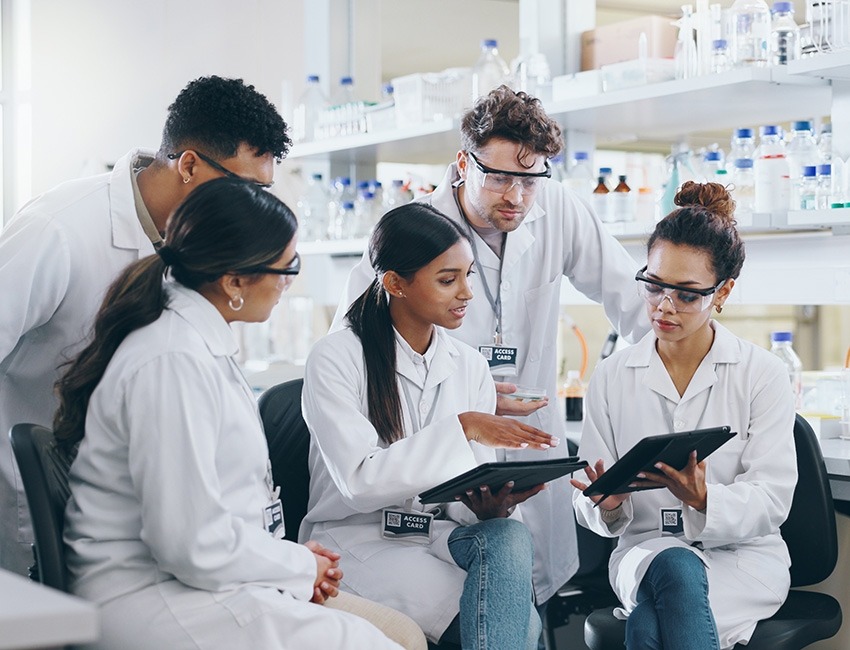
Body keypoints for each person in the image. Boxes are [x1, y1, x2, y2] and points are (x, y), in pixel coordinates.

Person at [53, 177, 424, 650]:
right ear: (233, 282)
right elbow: (189, 544)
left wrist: (286, 560)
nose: (290, 284)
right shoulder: (171, 360)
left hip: (199, 580)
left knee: (396, 637)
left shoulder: (199, 343)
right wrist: (295, 565)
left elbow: (220, 513)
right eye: (286, 268)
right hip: (149, 597)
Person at [332, 85, 650, 606]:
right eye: (499, 177)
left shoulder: (559, 211)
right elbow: (356, 349)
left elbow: (635, 302)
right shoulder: (414, 232)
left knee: (530, 593)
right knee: (474, 596)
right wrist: (466, 397)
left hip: (530, 436)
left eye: (530, 180)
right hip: (442, 444)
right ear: (463, 163)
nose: (516, 197)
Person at [0, 75, 290, 575]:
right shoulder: (59, 231)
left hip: (137, 511)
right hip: (33, 497)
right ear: (190, 165)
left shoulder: (201, 249)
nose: (253, 208)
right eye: (245, 188)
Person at [302, 202, 561, 648]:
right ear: (395, 283)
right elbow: (360, 483)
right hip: (363, 539)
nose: (466, 293)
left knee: (508, 534)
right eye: (447, 280)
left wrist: (487, 505)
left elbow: (459, 499)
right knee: (520, 628)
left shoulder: (469, 366)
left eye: (468, 276)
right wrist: (463, 428)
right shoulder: (336, 358)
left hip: (436, 535)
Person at [570, 181, 797, 650]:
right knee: (673, 567)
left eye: (687, 294)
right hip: (646, 551)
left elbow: (773, 500)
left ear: (723, 291)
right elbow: (591, 497)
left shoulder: (762, 374)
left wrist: (703, 499)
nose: (663, 306)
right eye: (653, 286)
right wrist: (604, 505)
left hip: (741, 560)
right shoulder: (613, 375)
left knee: (653, 620)